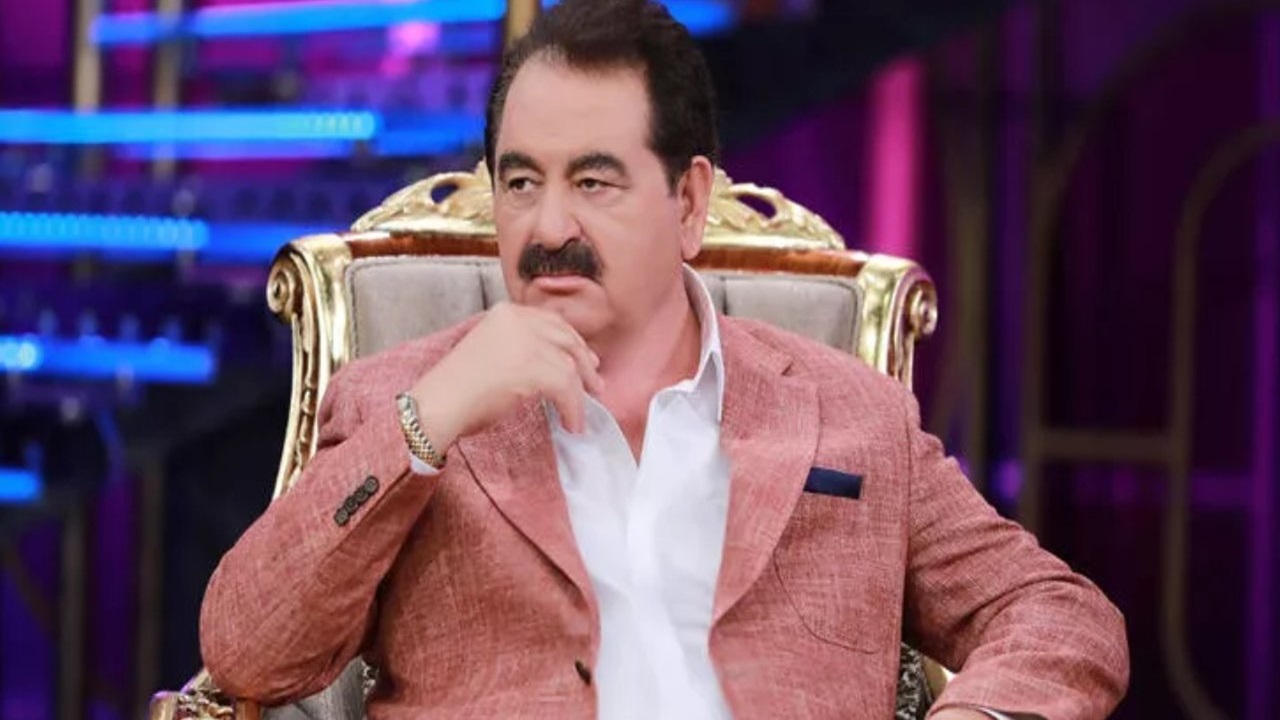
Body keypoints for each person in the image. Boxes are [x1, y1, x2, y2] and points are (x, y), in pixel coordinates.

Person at [199, 1, 1129, 718]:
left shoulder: (854, 416)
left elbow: (1059, 615)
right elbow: (247, 651)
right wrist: (427, 421)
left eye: (593, 181)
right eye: (521, 181)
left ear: (688, 204)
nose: (549, 226)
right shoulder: (405, 404)